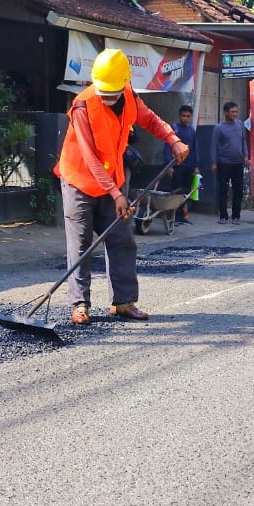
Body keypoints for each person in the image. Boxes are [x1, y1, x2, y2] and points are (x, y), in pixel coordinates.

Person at [56, 48, 190, 324]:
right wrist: (117, 194)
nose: (107, 98)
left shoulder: (129, 97)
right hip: (80, 182)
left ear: (125, 83)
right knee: (80, 244)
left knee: (121, 239)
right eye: (103, 92)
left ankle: (123, 302)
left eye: (112, 92)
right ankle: (80, 305)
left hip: (113, 181)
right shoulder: (82, 107)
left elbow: (151, 120)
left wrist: (173, 140)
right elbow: (90, 158)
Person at [209, 101, 248, 225]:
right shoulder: (219, 128)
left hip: (238, 163)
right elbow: (214, 146)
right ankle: (223, 216)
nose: (235, 114)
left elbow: (243, 141)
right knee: (223, 190)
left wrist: (246, 155)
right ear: (226, 112)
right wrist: (214, 163)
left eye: (236, 111)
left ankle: (236, 216)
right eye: (232, 112)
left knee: (238, 190)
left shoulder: (240, 124)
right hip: (224, 163)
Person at [163, 104, 198, 224]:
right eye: (183, 116)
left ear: (191, 117)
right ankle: (173, 217)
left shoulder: (192, 131)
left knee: (185, 193)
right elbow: (168, 146)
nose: (186, 118)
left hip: (189, 166)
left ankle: (182, 216)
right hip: (177, 165)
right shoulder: (174, 129)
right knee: (176, 192)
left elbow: (194, 149)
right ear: (179, 116)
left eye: (188, 116)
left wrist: (195, 166)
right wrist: (169, 165)